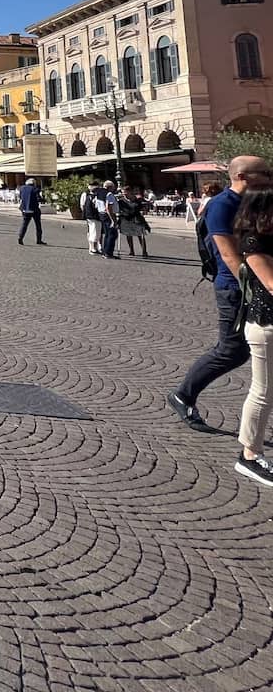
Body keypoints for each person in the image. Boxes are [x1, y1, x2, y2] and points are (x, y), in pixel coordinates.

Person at [168, 155, 273, 430]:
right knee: (231, 351)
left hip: (255, 285)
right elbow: (228, 254)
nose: (270, 176)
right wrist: (258, 286)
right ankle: (183, 395)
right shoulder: (222, 205)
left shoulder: (253, 201)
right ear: (243, 177)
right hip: (235, 288)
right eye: (265, 172)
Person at [231, 189, 273, 487]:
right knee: (263, 391)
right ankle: (249, 455)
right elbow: (271, 283)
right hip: (266, 324)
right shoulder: (253, 242)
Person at [117, 185, 150, 258]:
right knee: (128, 235)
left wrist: (144, 210)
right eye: (123, 193)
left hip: (136, 219)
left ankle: (144, 251)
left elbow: (143, 207)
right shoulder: (121, 201)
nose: (124, 195)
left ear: (130, 192)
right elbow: (118, 210)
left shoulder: (137, 200)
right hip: (126, 219)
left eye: (126, 193)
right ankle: (131, 251)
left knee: (140, 235)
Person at [17, 179, 46, 245]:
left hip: (24, 209)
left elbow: (20, 197)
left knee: (24, 224)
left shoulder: (22, 188)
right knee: (38, 225)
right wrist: (44, 199)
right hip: (34, 209)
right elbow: (38, 198)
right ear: (33, 183)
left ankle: (20, 237)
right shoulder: (35, 189)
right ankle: (39, 240)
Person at [80, 180, 104, 254]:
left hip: (95, 215)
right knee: (93, 231)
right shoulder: (86, 194)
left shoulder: (97, 194)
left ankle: (96, 247)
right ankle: (92, 247)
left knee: (96, 231)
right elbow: (82, 205)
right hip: (92, 215)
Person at [100, 180, 120, 258]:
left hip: (102, 215)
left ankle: (105, 252)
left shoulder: (100, 194)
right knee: (112, 234)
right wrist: (113, 219)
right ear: (110, 187)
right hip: (109, 215)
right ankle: (108, 253)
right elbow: (109, 207)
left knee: (107, 234)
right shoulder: (109, 194)